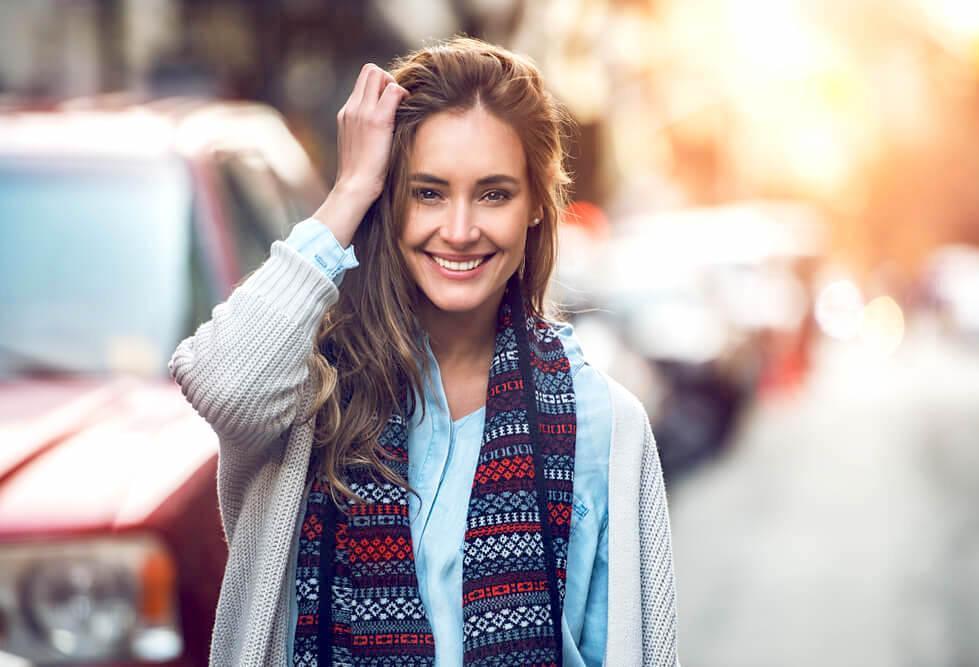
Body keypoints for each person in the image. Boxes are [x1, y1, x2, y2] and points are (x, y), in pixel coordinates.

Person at [168, 36, 680, 666]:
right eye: (428, 192)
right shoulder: (305, 397)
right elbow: (220, 383)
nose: (459, 230)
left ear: (536, 209)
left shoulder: (604, 424)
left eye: (493, 194)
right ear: (391, 200)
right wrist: (351, 189)